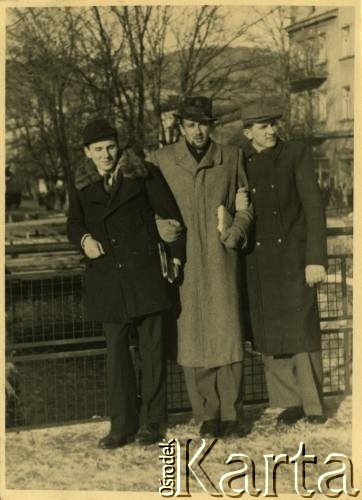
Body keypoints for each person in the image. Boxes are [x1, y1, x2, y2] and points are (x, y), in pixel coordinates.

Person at [67, 118, 186, 448]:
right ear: (87, 152)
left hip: (145, 275)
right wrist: (85, 239)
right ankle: (121, 426)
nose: (106, 154)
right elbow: (73, 224)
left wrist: (176, 257)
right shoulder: (80, 184)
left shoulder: (143, 173)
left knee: (152, 352)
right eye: (98, 149)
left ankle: (153, 423)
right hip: (107, 279)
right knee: (117, 356)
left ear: (118, 147)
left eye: (110, 147)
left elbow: (171, 218)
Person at [149, 96, 253, 438]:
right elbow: (148, 209)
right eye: (191, 125)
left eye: (203, 124)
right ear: (181, 127)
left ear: (212, 126)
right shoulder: (162, 161)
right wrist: (159, 227)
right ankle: (207, 414)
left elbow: (245, 208)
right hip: (185, 262)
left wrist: (236, 232)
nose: (197, 132)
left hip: (222, 260)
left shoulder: (232, 157)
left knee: (228, 333)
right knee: (192, 336)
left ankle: (231, 414)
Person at [240, 102, 328, 426]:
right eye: (262, 126)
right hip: (260, 261)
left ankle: (313, 405)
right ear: (248, 132)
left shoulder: (296, 154)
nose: (271, 130)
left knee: (302, 328)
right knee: (270, 331)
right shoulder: (242, 161)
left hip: (294, 257)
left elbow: (314, 209)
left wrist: (315, 258)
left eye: (273, 124)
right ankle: (289, 403)